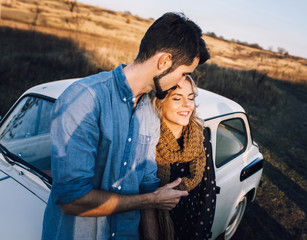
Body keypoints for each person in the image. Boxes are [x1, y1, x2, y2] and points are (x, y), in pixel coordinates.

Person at [42, 12, 210, 240]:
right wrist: (151, 200)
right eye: (184, 74)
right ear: (164, 62)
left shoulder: (151, 112)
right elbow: (71, 199)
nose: (181, 83)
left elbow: (147, 184)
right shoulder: (85, 98)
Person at [154, 75, 217, 240]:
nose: (187, 105)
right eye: (177, 98)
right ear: (159, 102)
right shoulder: (148, 139)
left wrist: (199, 235)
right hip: (154, 226)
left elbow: (208, 191)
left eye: (191, 98)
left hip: (191, 226)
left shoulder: (200, 136)